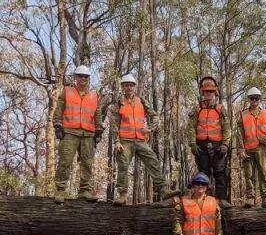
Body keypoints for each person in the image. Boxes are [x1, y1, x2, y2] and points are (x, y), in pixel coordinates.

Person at [111, 74, 177, 205]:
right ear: (123, 87)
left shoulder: (141, 101)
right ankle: (123, 195)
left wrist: (150, 129)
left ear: (135, 87)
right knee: (123, 166)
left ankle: (163, 190)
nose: (129, 87)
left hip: (141, 140)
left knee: (153, 160)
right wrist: (116, 141)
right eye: (126, 85)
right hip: (125, 141)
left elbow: (155, 116)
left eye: (131, 85)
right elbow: (114, 124)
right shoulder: (119, 103)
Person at [52, 65, 103, 203]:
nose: (83, 79)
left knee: (87, 162)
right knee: (65, 160)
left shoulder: (94, 95)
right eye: (80, 76)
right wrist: (57, 125)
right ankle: (60, 190)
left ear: (89, 79)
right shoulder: (67, 91)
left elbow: (97, 114)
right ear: (75, 77)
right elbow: (59, 110)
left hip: (88, 134)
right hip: (70, 132)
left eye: (85, 76)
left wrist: (99, 130)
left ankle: (84, 191)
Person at [188, 76, 231, 208]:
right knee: (203, 173)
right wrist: (192, 144)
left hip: (218, 145)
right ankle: (204, 201)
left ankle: (222, 200)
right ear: (203, 93)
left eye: (211, 92)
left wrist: (225, 144)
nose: (208, 94)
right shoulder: (197, 109)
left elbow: (227, 127)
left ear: (215, 93)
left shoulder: (220, 109)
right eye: (206, 92)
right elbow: (190, 127)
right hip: (201, 145)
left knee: (220, 173)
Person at [237, 87, 266, 208]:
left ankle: (265, 198)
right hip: (248, 149)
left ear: (260, 99)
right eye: (252, 98)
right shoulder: (242, 114)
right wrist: (241, 149)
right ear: (249, 99)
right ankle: (250, 198)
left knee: (263, 173)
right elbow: (239, 133)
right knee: (249, 175)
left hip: (262, 149)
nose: (254, 100)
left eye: (256, 98)